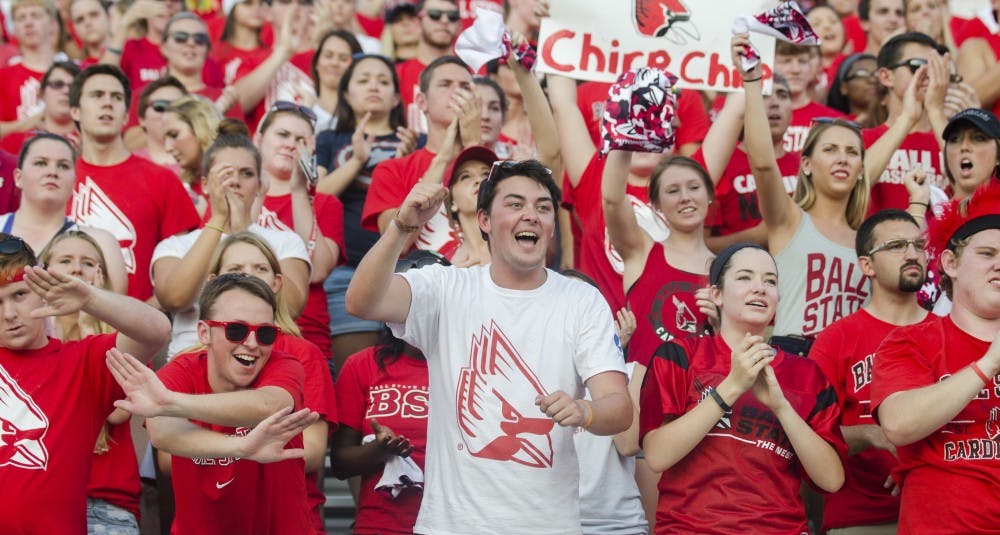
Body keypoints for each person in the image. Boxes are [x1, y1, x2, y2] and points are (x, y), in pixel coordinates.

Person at [346, 159, 631, 533]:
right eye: (515, 204)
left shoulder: (582, 300)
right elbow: (362, 302)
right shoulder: (446, 287)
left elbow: (620, 408)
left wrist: (585, 411)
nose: (531, 215)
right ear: (483, 220)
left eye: (543, 207)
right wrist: (402, 227)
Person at [639, 242, 846, 534]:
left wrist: (781, 407)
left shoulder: (807, 374)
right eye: (745, 277)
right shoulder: (680, 355)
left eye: (770, 281)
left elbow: (832, 479)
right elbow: (658, 455)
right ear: (716, 294)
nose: (760, 288)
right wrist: (732, 387)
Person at [105, 273, 321, 534]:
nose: (252, 343)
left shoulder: (284, 364)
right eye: (236, 330)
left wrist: (170, 402)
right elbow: (164, 435)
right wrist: (241, 447)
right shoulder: (179, 372)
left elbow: (270, 405)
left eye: (265, 333)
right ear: (204, 333)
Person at [0, 233, 171, 534]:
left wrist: (91, 299)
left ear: (43, 289)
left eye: (19, 295)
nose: (9, 314)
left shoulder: (82, 361)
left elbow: (156, 331)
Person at [871, 183, 1000, 533]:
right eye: (988, 254)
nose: (999, 264)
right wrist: (988, 364)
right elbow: (898, 424)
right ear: (951, 263)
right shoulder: (912, 341)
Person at [739, 33, 876, 345]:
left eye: (852, 152)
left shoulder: (868, 241)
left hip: (850, 374)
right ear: (807, 165)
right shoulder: (789, 220)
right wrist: (751, 81)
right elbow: (761, 163)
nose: (842, 158)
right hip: (795, 365)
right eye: (830, 150)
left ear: (859, 171)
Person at [810, 208, 937, 534]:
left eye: (918, 246)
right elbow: (807, 437)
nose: (912, 254)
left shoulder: (947, 332)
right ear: (867, 265)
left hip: (942, 512)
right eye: (896, 246)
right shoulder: (836, 339)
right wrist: (871, 434)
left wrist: (917, 459)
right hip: (863, 517)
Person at [207, 232, 337, 532]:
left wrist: (217, 446)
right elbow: (168, 459)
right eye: (236, 270)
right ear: (213, 280)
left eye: (260, 268)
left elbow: (314, 453)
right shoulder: (193, 357)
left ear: (277, 282)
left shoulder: (304, 354)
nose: (247, 278)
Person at [152, 133, 310, 357]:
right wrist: (218, 220)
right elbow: (174, 299)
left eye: (246, 174)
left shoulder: (285, 240)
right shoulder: (176, 245)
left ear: (258, 185)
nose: (235, 181)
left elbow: (292, 308)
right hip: (190, 361)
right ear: (205, 184)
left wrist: (242, 232)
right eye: (225, 173)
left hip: (260, 359)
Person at [316, 52, 421, 369]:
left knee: (406, 372)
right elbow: (318, 194)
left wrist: (409, 163)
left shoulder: (417, 141)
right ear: (346, 93)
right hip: (347, 273)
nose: (373, 85)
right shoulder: (330, 139)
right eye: (363, 80)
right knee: (354, 374)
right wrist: (357, 161)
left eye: (383, 80)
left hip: (408, 272)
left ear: (395, 98)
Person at [37, 230, 142, 533]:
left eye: (87, 263)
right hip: (43, 500)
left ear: (101, 276)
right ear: (44, 272)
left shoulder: (125, 338)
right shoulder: (28, 335)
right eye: (65, 260)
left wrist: (87, 323)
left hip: (107, 504)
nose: (76, 269)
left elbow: (116, 410)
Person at [68, 64, 201, 302]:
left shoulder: (162, 180)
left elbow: (185, 269)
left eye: (116, 97)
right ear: (75, 111)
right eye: (97, 95)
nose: (107, 103)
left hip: (137, 331)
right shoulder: (58, 177)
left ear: (127, 115)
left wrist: (141, 321)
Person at [329, 254, 440, 535]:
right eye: (412, 300)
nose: (420, 311)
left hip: (453, 523)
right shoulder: (362, 365)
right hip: (381, 523)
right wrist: (379, 451)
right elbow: (340, 463)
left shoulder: (467, 366)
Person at [255, 102, 342, 358]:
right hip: (238, 335)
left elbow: (317, 271)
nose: (291, 144)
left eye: (300, 139)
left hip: (304, 339)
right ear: (259, 139)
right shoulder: (235, 194)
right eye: (282, 135)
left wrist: (298, 192)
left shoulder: (326, 203)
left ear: (312, 148)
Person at [1, 133, 126, 294]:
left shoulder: (102, 243)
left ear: (74, 182)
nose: (52, 172)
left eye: (63, 165)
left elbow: (115, 315)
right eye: (41, 163)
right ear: (18, 177)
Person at [693, 75, 799, 251]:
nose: (774, 103)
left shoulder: (806, 167)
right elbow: (698, 246)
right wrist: (755, 237)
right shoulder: (720, 164)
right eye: (763, 96)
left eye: (782, 95)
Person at [396, 0, 462, 131]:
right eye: (434, 15)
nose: (444, 20)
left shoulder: (473, 73)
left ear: (459, 25)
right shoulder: (396, 73)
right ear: (416, 23)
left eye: (452, 16)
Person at [0, 61, 79, 155]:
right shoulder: (15, 142)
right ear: (41, 93)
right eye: (58, 84)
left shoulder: (92, 142)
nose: (66, 90)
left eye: (73, 87)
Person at [0, 0, 60, 121]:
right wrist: (36, 120)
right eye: (21, 18)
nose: (28, 23)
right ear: (14, 29)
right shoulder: (3, 78)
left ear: (53, 24)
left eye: (35, 16)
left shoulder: (73, 72)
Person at [128, 75, 189, 169]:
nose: (168, 113)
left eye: (178, 106)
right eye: (160, 106)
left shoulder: (203, 165)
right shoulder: (129, 166)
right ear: (142, 119)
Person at [310, 29, 362, 132]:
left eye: (343, 58)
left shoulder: (365, 114)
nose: (334, 63)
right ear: (316, 63)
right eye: (328, 56)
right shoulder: (300, 106)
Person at [826, 53, 879, 125]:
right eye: (862, 73)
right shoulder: (833, 125)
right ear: (844, 87)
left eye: (878, 74)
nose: (873, 80)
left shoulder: (896, 123)